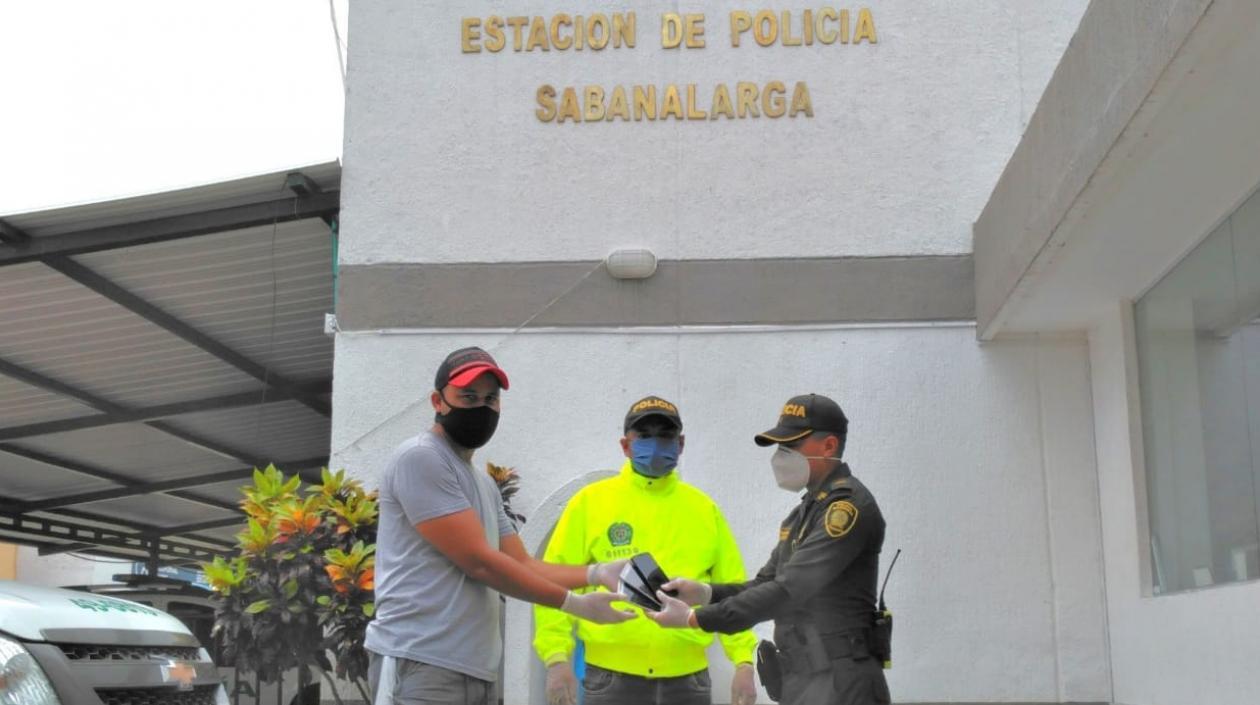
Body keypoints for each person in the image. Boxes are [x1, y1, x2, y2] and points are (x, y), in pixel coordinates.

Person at [366, 347, 635, 705]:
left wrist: (596, 574)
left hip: (475, 672)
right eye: (468, 396)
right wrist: (575, 605)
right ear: (438, 400)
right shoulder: (421, 457)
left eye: (490, 398)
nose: (481, 407)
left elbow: (524, 564)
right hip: (421, 663)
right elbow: (480, 562)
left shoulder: (484, 484)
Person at [649, 394, 890, 705]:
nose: (780, 457)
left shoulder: (846, 510)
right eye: (779, 447)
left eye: (791, 446)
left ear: (829, 446)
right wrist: (703, 593)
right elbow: (764, 584)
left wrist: (695, 619)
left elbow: (788, 591)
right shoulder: (805, 512)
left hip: (842, 683)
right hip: (805, 681)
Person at [533, 396, 759, 705]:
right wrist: (556, 658)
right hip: (609, 679)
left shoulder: (704, 510)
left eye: (665, 435)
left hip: (688, 682)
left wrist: (744, 661)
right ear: (625, 446)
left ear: (680, 444)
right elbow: (554, 583)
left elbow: (731, 592)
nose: (655, 444)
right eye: (645, 435)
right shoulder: (590, 504)